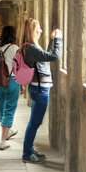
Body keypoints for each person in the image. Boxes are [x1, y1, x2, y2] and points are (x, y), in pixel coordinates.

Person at [21, 18, 63, 163]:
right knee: (34, 123)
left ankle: (29, 150)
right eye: (38, 28)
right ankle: (27, 153)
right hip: (40, 90)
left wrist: (52, 41)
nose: (41, 31)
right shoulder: (31, 49)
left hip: (38, 88)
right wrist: (59, 39)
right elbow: (55, 56)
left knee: (34, 122)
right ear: (32, 30)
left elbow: (46, 58)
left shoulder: (31, 47)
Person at [0, 26, 20, 150]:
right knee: (9, 109)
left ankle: (7, 131)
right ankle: (3, 141)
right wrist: (22, 84)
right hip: (11, 81)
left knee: (2, 107)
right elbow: (19, 68)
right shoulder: (15, 48)